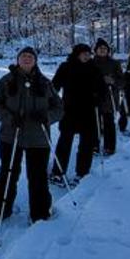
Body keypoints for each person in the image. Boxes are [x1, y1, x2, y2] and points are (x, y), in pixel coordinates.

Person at [0, 46, 63, 223]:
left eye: (30, 56)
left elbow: (59, 108)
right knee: (8, 172)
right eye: (23, 56)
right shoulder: (6, 81)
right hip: (10, 135)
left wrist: (46, 117)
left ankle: (40, 212)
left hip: (39, 138)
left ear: (35, 60)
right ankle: (1, 208)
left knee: (37, 176)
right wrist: (9, 118)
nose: (27, 58)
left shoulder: (45, 83)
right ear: (18, 59)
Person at [50, 43, 107, 184]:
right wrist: (49, 100)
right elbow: (54, 86)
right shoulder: (66, 67)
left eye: (88, 53)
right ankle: (57, 172)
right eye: (84, 53)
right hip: (69, 110)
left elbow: (103, 89)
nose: (87, 56)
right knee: (65, 142)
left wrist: (98, 98)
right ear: (77, 53)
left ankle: (82, 173)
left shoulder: (94, 69)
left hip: (89, 111)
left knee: (86, 144)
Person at [91, 38, 125, 156]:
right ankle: (94, 145)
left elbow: (122, 81)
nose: (102, 50)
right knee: (94, 122)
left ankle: (109, 147)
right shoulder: (90, 63)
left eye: (105, 48)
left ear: (108, 51)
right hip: (94, 97)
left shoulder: (114, 63)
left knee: (109, 123)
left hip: (109, 98)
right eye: (100, 48)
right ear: (95, 50)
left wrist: (113, 81)